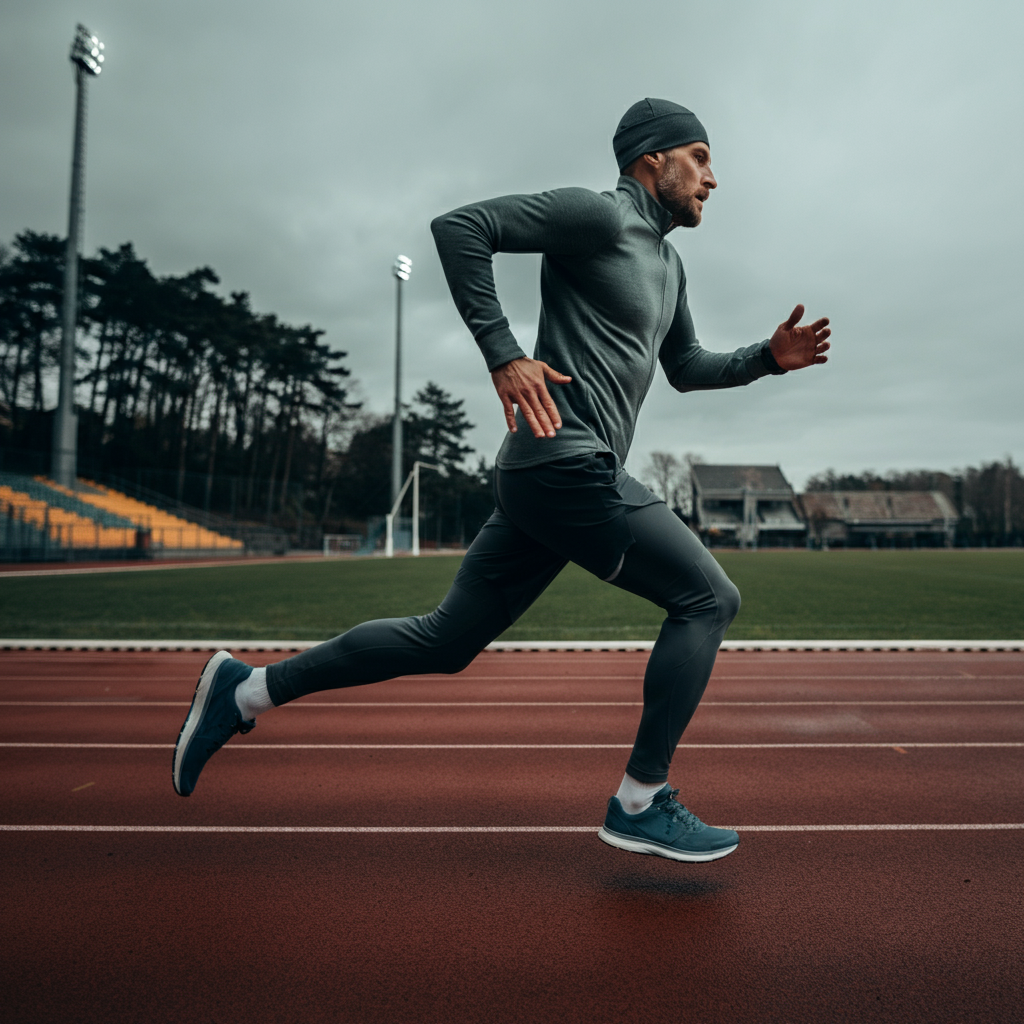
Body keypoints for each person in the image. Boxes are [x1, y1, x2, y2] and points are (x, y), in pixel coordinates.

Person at [172, 98, 830, 863]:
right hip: (564, 464)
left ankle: (244, 690)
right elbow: (461, 228)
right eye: (701, 158)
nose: (714, 178)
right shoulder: (598, 216)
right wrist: (503, 352)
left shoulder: (670, 264)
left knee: (447, 640)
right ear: (653, 161)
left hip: (548, 477)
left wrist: (764, 358)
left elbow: (684, 368)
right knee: (708, 598)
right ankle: (641, 799)